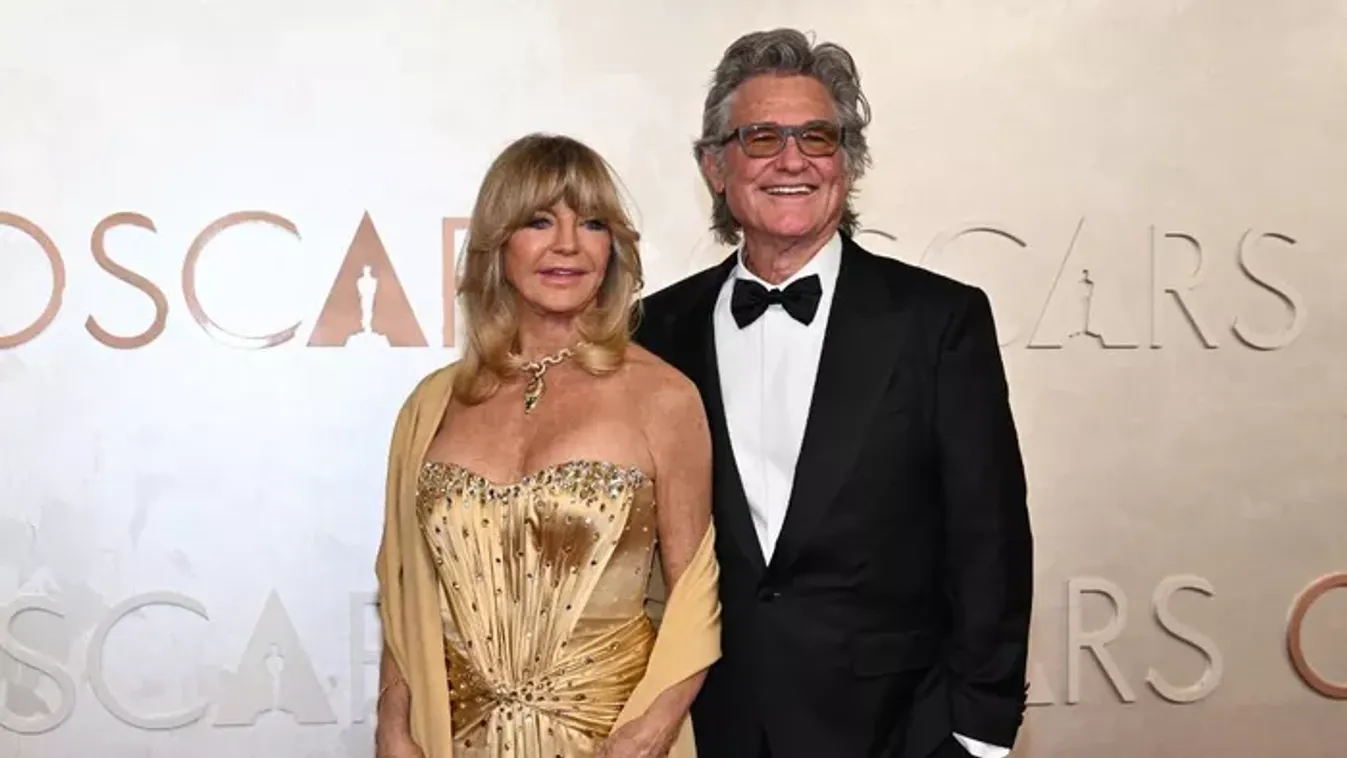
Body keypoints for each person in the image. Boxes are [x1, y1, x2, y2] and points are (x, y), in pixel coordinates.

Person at [635, 29, 1033, 758]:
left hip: (896, 730)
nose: (792, 160)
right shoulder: (653, 330)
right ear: (715, 166)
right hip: (707, 727)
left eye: (816, 137)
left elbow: (990, 540)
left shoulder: (937, 321)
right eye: (761, 137)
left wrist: (977, 736)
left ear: (846, 164)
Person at [374, 133, 722, 758]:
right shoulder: (431, 406)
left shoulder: (663, 396)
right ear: (497, 242)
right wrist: (393, 722)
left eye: (592, 223)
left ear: (613, 248)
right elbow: (405, 593)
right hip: (454, 741)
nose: (567, 244)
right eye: (539, 221)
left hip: (615, 740)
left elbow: (694, 595)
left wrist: (653, 728)